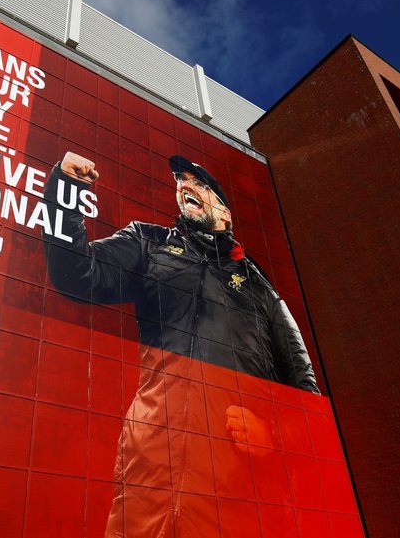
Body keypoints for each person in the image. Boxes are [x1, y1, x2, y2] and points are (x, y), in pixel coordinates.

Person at [42, 151, 319, 537]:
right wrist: (64, 192)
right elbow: (74, 275)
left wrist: (272, 435)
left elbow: (307, 397)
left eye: (199, 184)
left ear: (224, 212)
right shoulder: (148, 243)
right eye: (180, 182)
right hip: (148, 474)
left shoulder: (262, 291)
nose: (185, 186)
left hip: (235, 495)